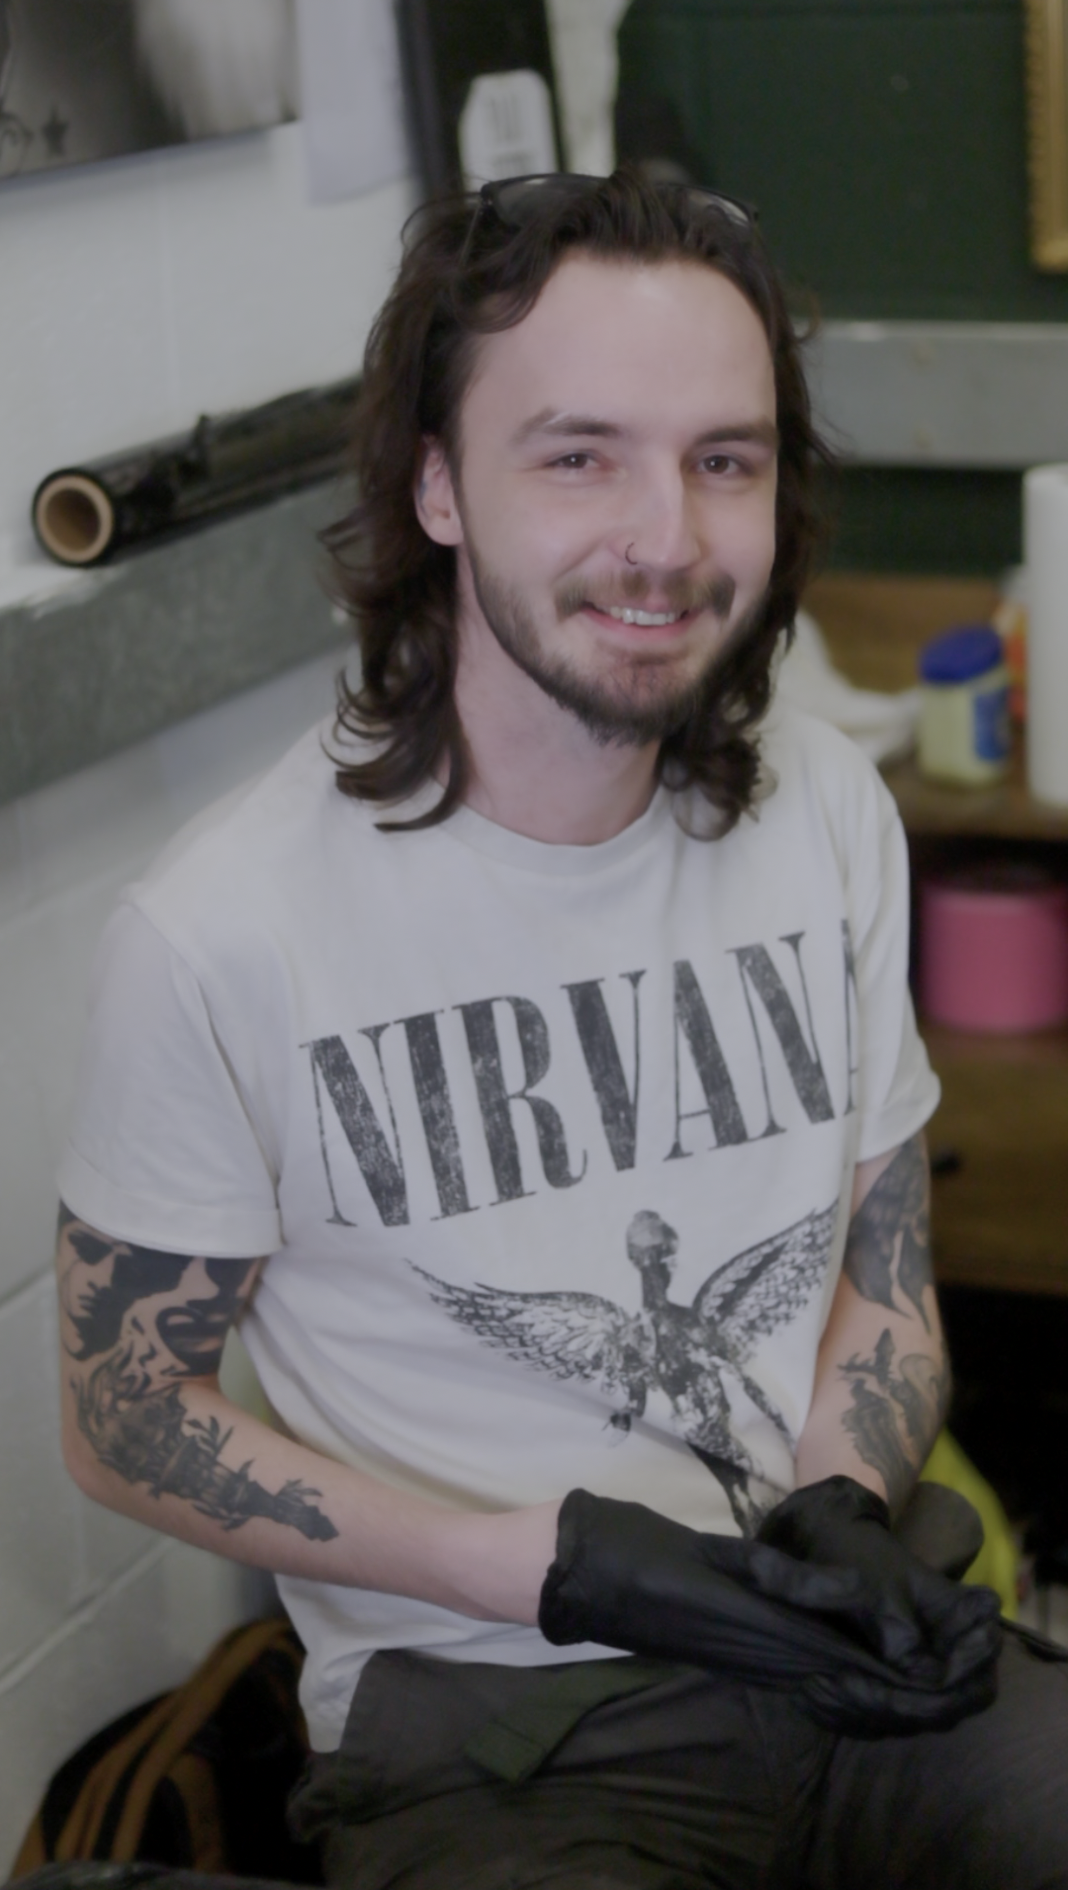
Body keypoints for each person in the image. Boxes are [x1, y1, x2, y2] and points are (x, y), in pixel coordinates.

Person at [55, 170, 1066, 1889]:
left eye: (723, 459)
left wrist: (843, 1486)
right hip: (500, 1727)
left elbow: (882, 1273)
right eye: (578, 453)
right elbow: (121, 1407)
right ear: (438, 483)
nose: (665, 536)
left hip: (842, 1670)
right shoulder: (225, 928)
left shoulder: (825, 812)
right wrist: (545, 1565)